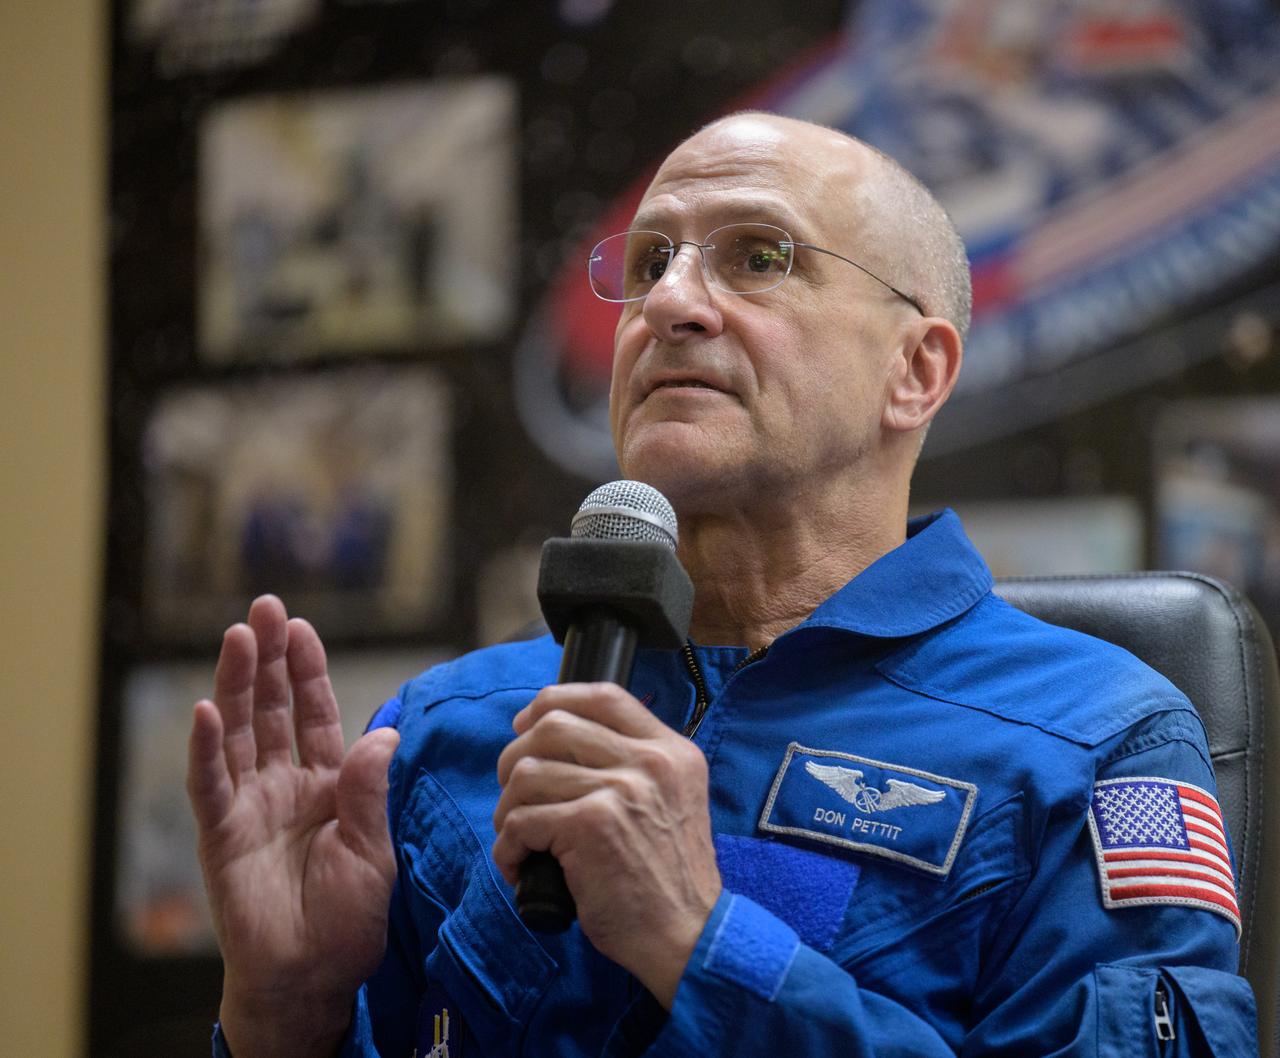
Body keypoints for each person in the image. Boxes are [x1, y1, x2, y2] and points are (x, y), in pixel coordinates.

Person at [187, 112, 1258, 1057]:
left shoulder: (1095, 736)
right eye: (649, 261)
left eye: (757, 257)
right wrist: (283, 1016)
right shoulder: (436, 729)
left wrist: (702, 941)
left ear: (915, 370)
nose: (670, 303)